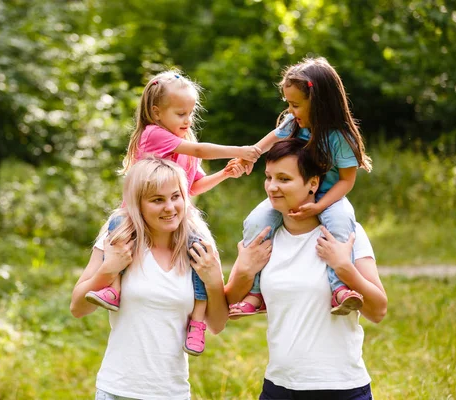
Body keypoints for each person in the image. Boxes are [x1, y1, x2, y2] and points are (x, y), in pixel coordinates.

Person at [85, 70, 252, 355]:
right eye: (180, 113)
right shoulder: (155, 134)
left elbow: (194, 185)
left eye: (190, 113)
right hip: (139, 213)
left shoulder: (183, 140)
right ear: (156, 112)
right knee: (116, 227)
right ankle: (112, 288)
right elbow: (200, 150)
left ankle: (197, 321)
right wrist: (242, 150)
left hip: (178, 214)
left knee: (200, 247)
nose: (187, 120)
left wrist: (224, 174)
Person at [225, 139, 387, 399]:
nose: (272, 187)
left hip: (341, 389)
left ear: (313, 183)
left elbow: (378, 311)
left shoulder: (346, 236)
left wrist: (344, 268)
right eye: (268, 177)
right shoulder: (262, 240)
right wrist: (245, 271)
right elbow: (223, 311)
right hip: (278, 388)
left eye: (284, 179)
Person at [71, 157, 229, 400]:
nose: (169, 207)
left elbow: (217, 325)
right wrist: (108, 269)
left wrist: (214, 281)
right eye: (157, 200)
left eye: (175, 196)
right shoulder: (119, 240)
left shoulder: (198, 249)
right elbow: (78, 307)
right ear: (138, 204)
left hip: (172, 393)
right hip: (117, 390)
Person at [228, 57, 373, 318]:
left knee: (340, 224)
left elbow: (346, 181)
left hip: (329, 196)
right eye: (289, 104)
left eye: (296, 104)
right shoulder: (293, 124)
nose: (291, 111)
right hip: (294, 194)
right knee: (255, 222)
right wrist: (247, 156)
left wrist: (319, 206)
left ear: (318, 104)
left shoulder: (340, 137)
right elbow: (267, 142)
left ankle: (339, 289)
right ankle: (256, 292)